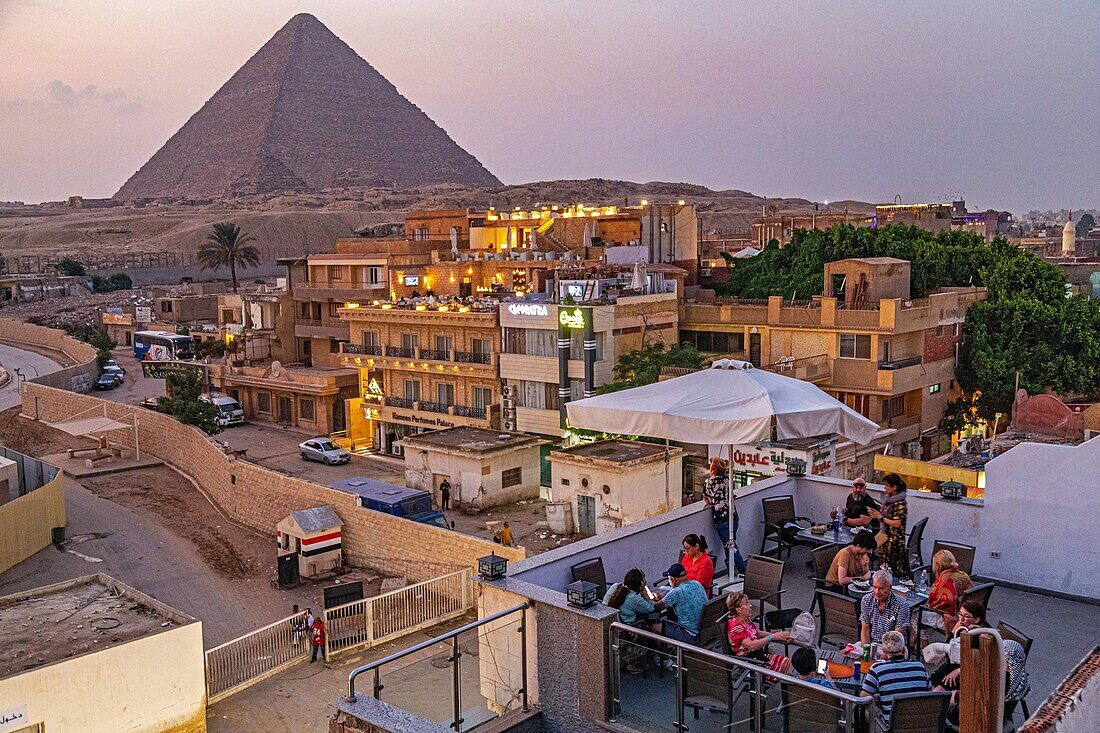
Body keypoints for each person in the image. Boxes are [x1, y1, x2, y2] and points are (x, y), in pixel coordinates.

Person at [860, 630, 931, 729]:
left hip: (893, 727)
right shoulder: (919, 666)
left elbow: (864, 698)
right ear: (903, 649)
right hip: (923, 725)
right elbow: (929, 693)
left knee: (865, 713)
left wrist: (878, 702)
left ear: (884, 651)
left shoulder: (877, 669)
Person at [724, 591, 793, 674]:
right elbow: (751, 646)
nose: (750, 605)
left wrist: (779, 636)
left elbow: (757, 632)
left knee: (790, 664)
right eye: (746, 604)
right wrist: (772, 637)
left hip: (757, 654)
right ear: (738, 609)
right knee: (789, 666)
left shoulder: (745, 619)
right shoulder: (736, 628)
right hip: (749, 661)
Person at [929, 601, 987, 689]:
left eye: (966, 616)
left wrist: (958, 671)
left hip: (967, 671)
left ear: (977, 620)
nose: (961, 619)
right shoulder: (961, 626)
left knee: (938, 690)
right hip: (953, 664)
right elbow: (949, 643)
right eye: (960, 614)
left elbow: (981, 662)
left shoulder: (982, 636)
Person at [702, 457, 746, 575]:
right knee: (730, 544)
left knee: (731, 546)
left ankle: (744, 571)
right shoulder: (728, 479)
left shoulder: (709, 482)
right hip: (733, 516)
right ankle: (730, 566)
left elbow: (707, 499)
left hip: (721, 519)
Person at [867, 473, 910, 579]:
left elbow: (897, 523)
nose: (885, 487)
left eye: (887, 485)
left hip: (894, 541)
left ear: (894, 487)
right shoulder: (889, 501)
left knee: (892, 571)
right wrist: (876, 513)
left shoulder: (900, 503)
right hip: (886, 538)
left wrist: (880, 517)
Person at [922, 549, 973, 633]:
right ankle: (916, 641)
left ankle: (922, 642)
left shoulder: (944, 580)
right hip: (967, 616)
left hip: (952, 619)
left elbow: (932, 603)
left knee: (916, 615)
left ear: (938, 565)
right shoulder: (962, 575)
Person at [659, 563, 708, 644]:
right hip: (705, 631)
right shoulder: (697, 584)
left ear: (672, 579)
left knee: (655, 626)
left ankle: (663, 655)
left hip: (690, 634)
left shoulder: (676, 592)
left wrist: (646, 594)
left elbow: (657, 607)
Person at [860, 568, 910, 645]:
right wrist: (867, 652)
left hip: (893, 647)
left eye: (881, 588)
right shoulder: (867, 600)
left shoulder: (901, 604)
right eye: (875, 587)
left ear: (890, 587)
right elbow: (865, 630)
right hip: (872, 644)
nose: (877, 592)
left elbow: (897, 637)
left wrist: (882, 656)